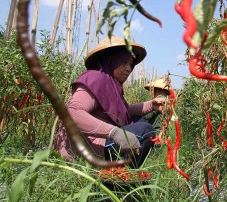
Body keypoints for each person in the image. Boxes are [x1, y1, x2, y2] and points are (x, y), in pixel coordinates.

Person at [54, 36, 165, 168]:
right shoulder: (95, 79)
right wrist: (115, 133)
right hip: (84, 149)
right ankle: (118, 181)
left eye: (130, 64)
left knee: (138, 121)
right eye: (124, 62)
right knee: (145, 131)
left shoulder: (112, 84)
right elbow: (72, 113)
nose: (129, 68)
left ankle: (121, 175)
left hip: (98, 144)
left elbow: (124, 110)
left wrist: (151, 105)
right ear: (111, 60)